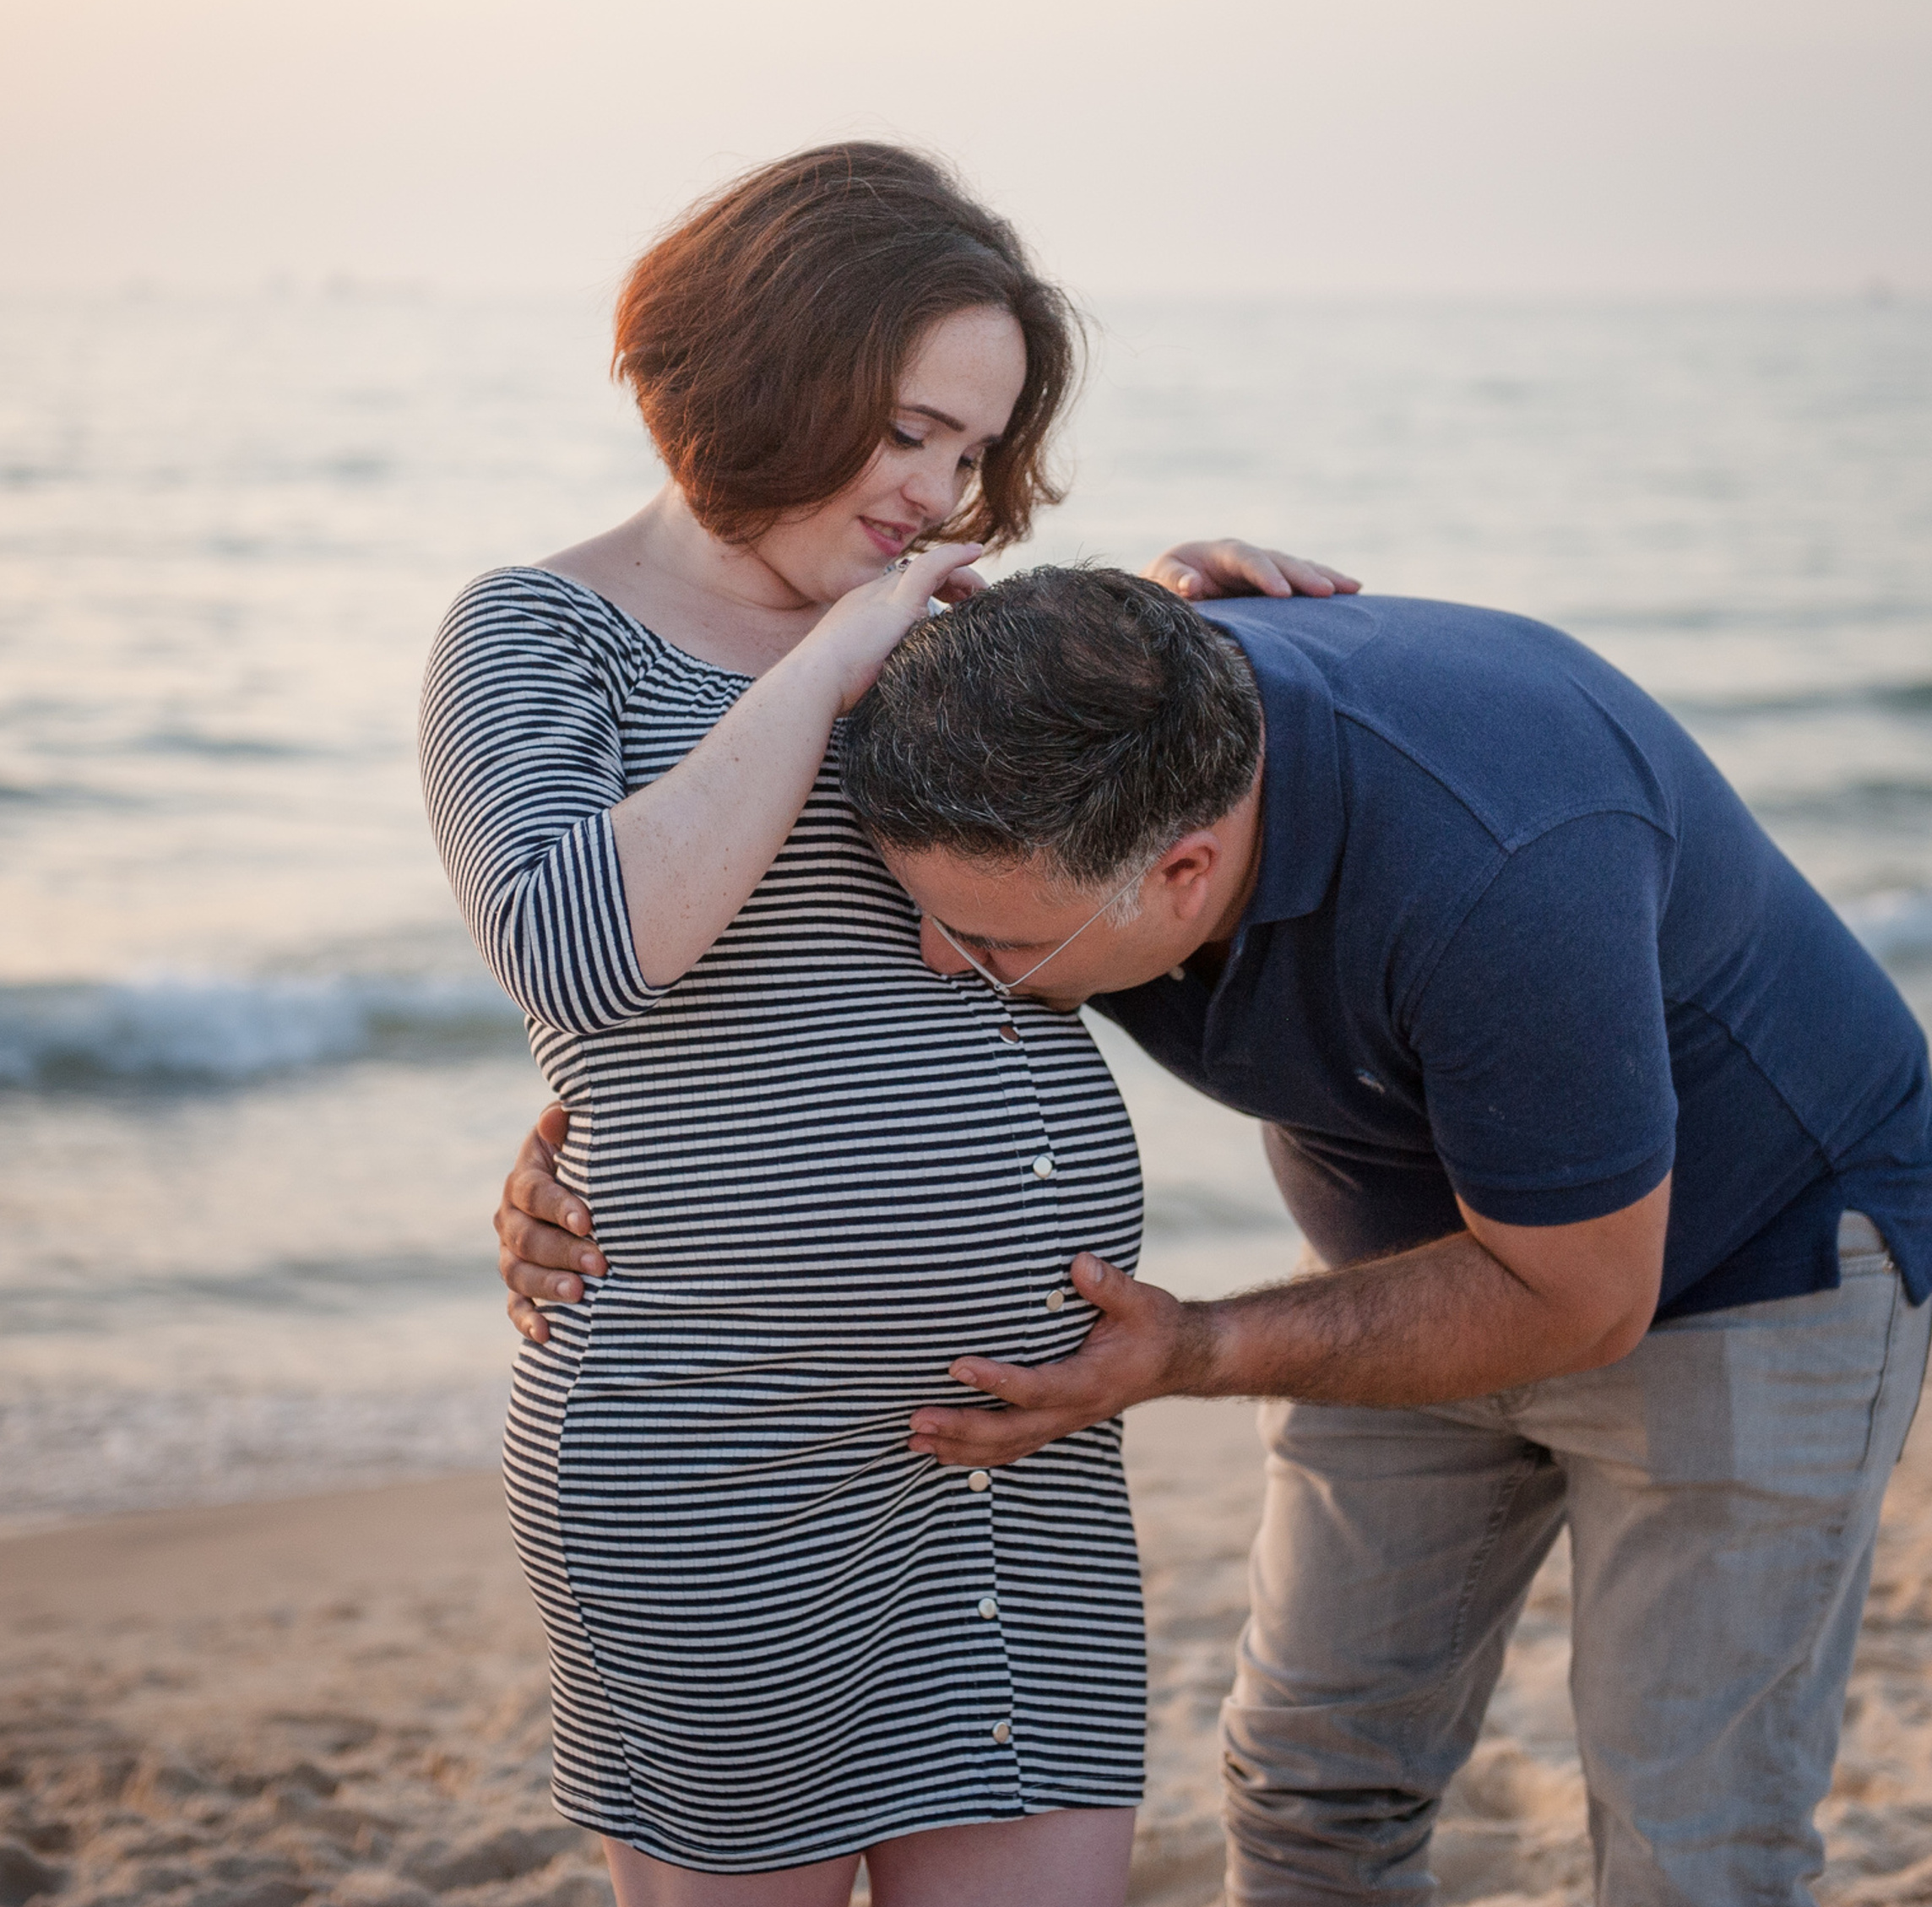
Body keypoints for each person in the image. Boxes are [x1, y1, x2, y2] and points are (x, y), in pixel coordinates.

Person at [501, 563, 1932, 1905]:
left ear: (1183, 875)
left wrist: (1198, 1347)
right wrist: (588, 1162)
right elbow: (789, 1005)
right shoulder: (1086, 724)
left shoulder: (1506, 859)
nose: (943, 964)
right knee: (1312, 1782)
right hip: (1407, 1262)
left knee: (1693, 1829)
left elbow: (1579, 1297)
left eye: (994, 952)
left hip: (1754, 1263)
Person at [421, 144, 1354, 1906]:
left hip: (1017, 1455)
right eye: (907, 429)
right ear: (769, 370)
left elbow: (1136, 869)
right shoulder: (539, 632)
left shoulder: (943, 638)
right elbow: (580, 951)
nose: (939, 492)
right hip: (717, 1469)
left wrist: (1180, 643)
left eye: (972, 452)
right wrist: (830, 656)